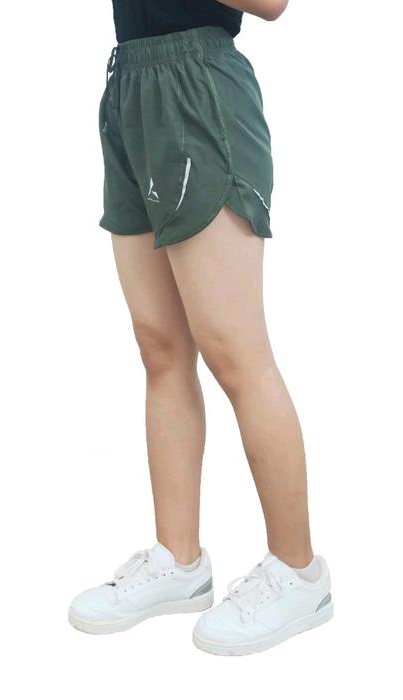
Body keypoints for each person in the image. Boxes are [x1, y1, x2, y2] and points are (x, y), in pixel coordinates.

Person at [69, 0, 333, 656]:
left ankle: (299, 572)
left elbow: (272, 3)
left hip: (199, 85)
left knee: (236, 353)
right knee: (160, 347)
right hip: (131, 82)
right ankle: (178, 560)